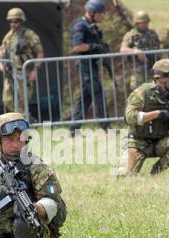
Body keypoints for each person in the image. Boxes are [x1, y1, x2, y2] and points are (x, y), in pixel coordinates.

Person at [115, 59, 169, 176]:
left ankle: (157, 172)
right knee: (123, 176)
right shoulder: (142, 93)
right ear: (161, 78)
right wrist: (157, 114)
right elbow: (129, 117)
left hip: (160, 142)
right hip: (139, 142)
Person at [70, 0, 111, 137]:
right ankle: (106, 127)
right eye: (101, 14)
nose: (102, 17)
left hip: (90, 64)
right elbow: (77, 46)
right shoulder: (80, 26)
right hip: (84, 65)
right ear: (93, 13)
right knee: (97, 92)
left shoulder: (91, 25)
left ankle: (74, 130)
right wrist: (94, 47)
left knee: (84, 98)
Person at [0, 8, 44, 115]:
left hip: (24, 72)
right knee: (8, 99)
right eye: (11, 21)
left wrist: (35, 70)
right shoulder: (9, 36)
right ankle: (20, 119)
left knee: (22, 100)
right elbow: (1, 52)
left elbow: (40, 53)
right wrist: (0, 64)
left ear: (21, 21)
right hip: (11, 72)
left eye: (16, 21)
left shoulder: (29, 35)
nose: (13, 24)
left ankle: (23, 122)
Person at [120, 11, 160, 90]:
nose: (146, 24)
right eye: (143, 22)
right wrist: (136, 51)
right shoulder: (131, 35)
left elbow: (159, 48)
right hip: (138, 70)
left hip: (153, 68)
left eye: (147, 22)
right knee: (139, 92)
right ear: (137, 23)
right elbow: (122, 49)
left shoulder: (152, 34)